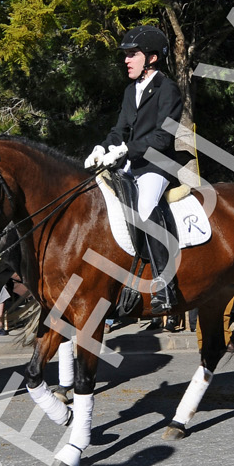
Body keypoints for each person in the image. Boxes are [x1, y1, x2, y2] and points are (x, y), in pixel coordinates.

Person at [84, 25, 184, 314]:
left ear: (151, 58)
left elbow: (163, 137)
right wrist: (103, 147)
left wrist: (128, 149)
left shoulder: (168, 89)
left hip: (157, 165)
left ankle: (165, 286)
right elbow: (120, 130)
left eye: (132, 55)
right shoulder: (131, 91)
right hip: (129, 165)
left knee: (144, 206)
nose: (126, 60)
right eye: (126, 55)